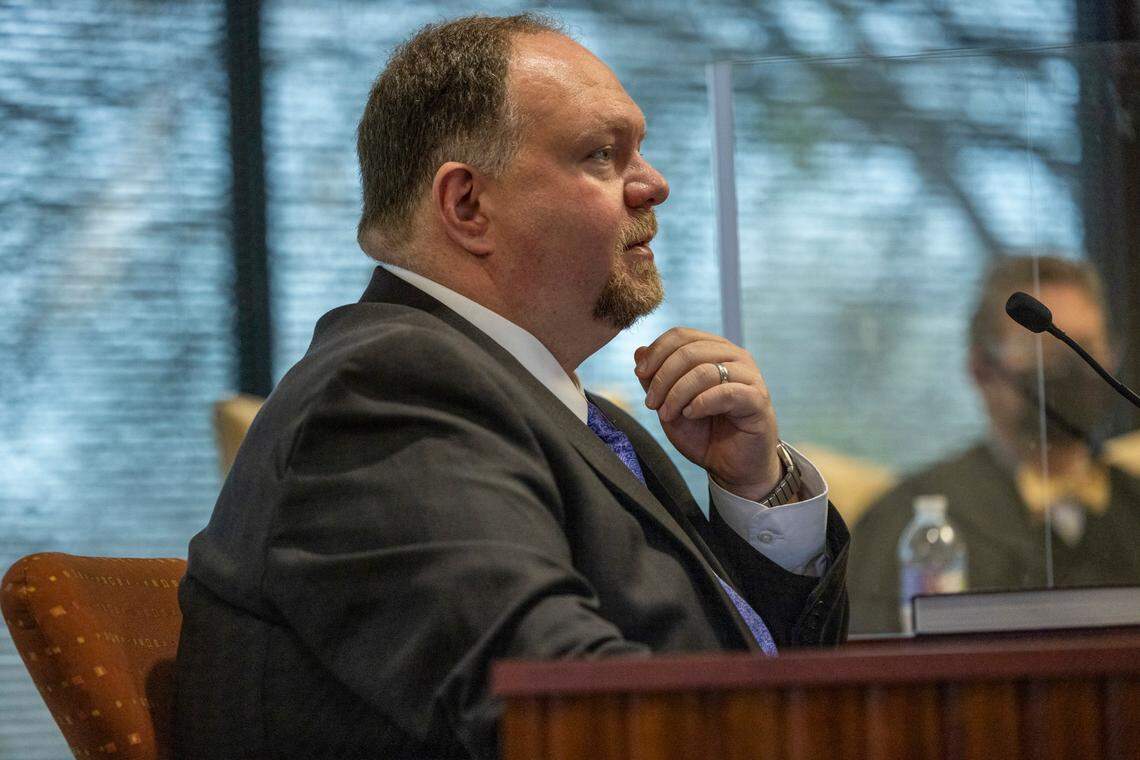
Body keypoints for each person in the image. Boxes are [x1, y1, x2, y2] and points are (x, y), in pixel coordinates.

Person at [175, 15, 848, 760]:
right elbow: (559, 708)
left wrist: (758, 492)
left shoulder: (570, 415)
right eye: (601, 154)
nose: (654, 183)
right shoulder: (387, 394)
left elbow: (756, 668)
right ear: (467, 206)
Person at [848, 256, 1140, 634]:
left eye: (1084, 348)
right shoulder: (911, 521)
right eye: (1046, 351)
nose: (1069, 368)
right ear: (980, 369)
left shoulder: (1132, 503)